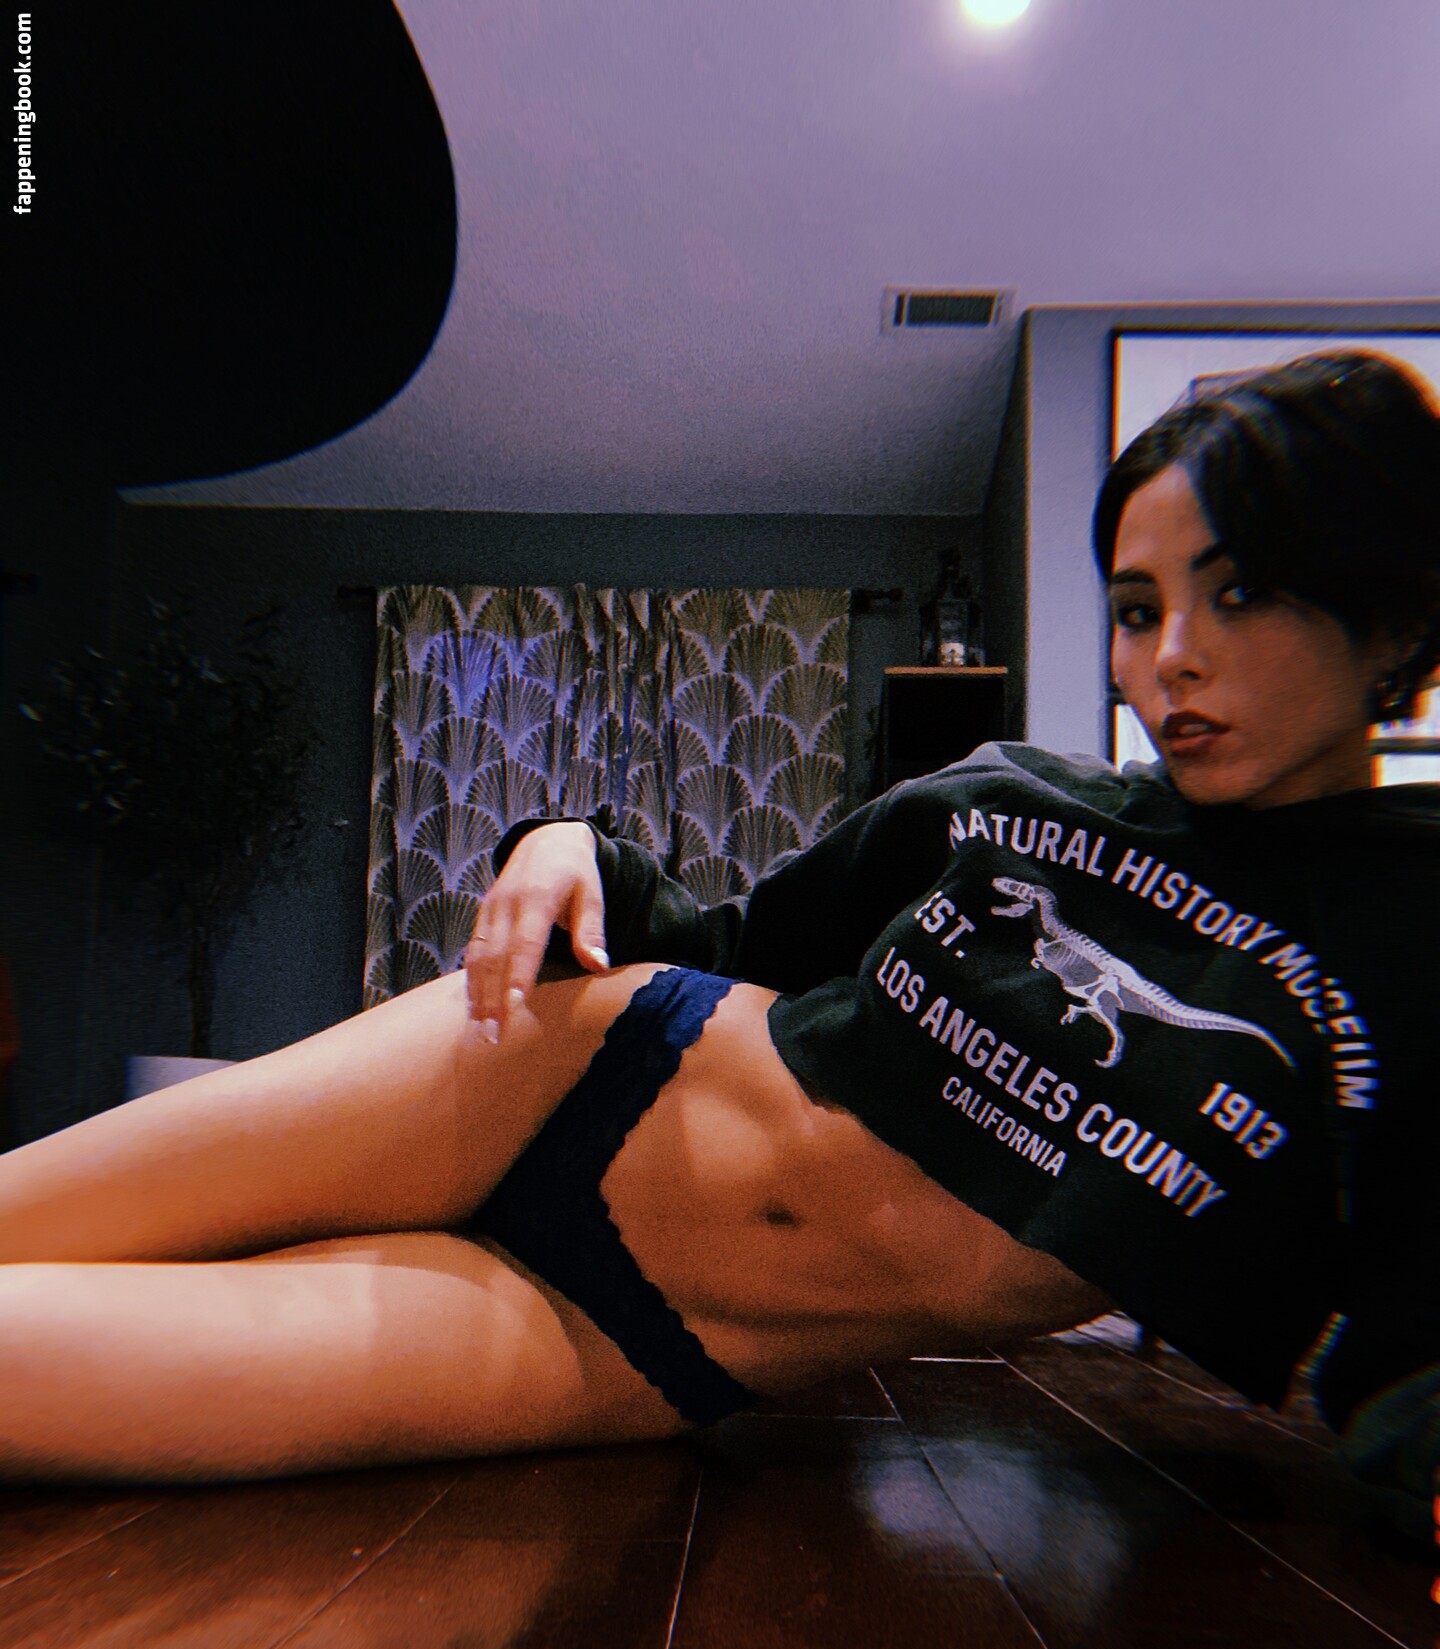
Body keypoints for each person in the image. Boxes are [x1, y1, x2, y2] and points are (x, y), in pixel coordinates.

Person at [2, 351, 1437, 1539]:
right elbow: (730, 937)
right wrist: (569, 841)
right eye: (1136, 608)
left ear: (1392, 615)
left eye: (1237, 592)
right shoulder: (1015, 801)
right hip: (555, 1070)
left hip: (624, 1339)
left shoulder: (1410, 936)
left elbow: (1406, 1340)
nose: (1170, 654)